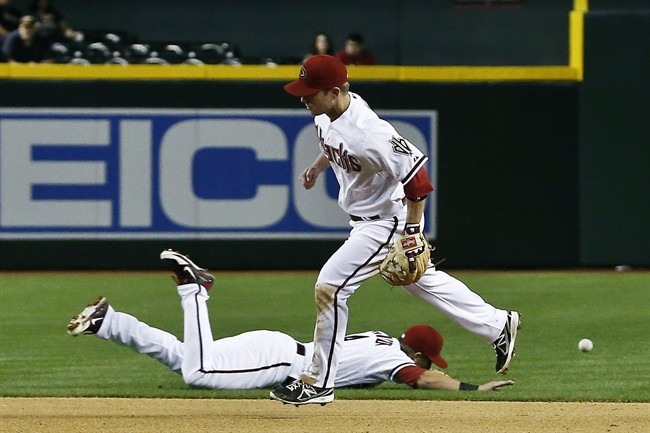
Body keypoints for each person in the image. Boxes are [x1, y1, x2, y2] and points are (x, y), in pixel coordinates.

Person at [270, 54, 521, 406]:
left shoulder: (370, 131)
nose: (303, 98)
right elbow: (333, 145)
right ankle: (497, 324)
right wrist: (316, 167)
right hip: (366, 221)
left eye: (311, 92)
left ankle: (318, 382)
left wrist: (413, 232)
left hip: (384, 223)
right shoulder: (327, 114)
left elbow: (417, 178)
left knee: (330, 287)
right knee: (421, 282)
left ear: (335, 91)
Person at [66, 250, 514, 394]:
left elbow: (418, 369)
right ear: (417, 352)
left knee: (186, 356)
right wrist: (469, 388)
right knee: (197, 371)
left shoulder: (382, 338)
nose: (431, 364)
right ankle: (194, 289)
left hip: (276, 345)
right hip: (279, 362)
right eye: (430, 358)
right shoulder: (395, 361)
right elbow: (421, 379)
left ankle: (111, 322)